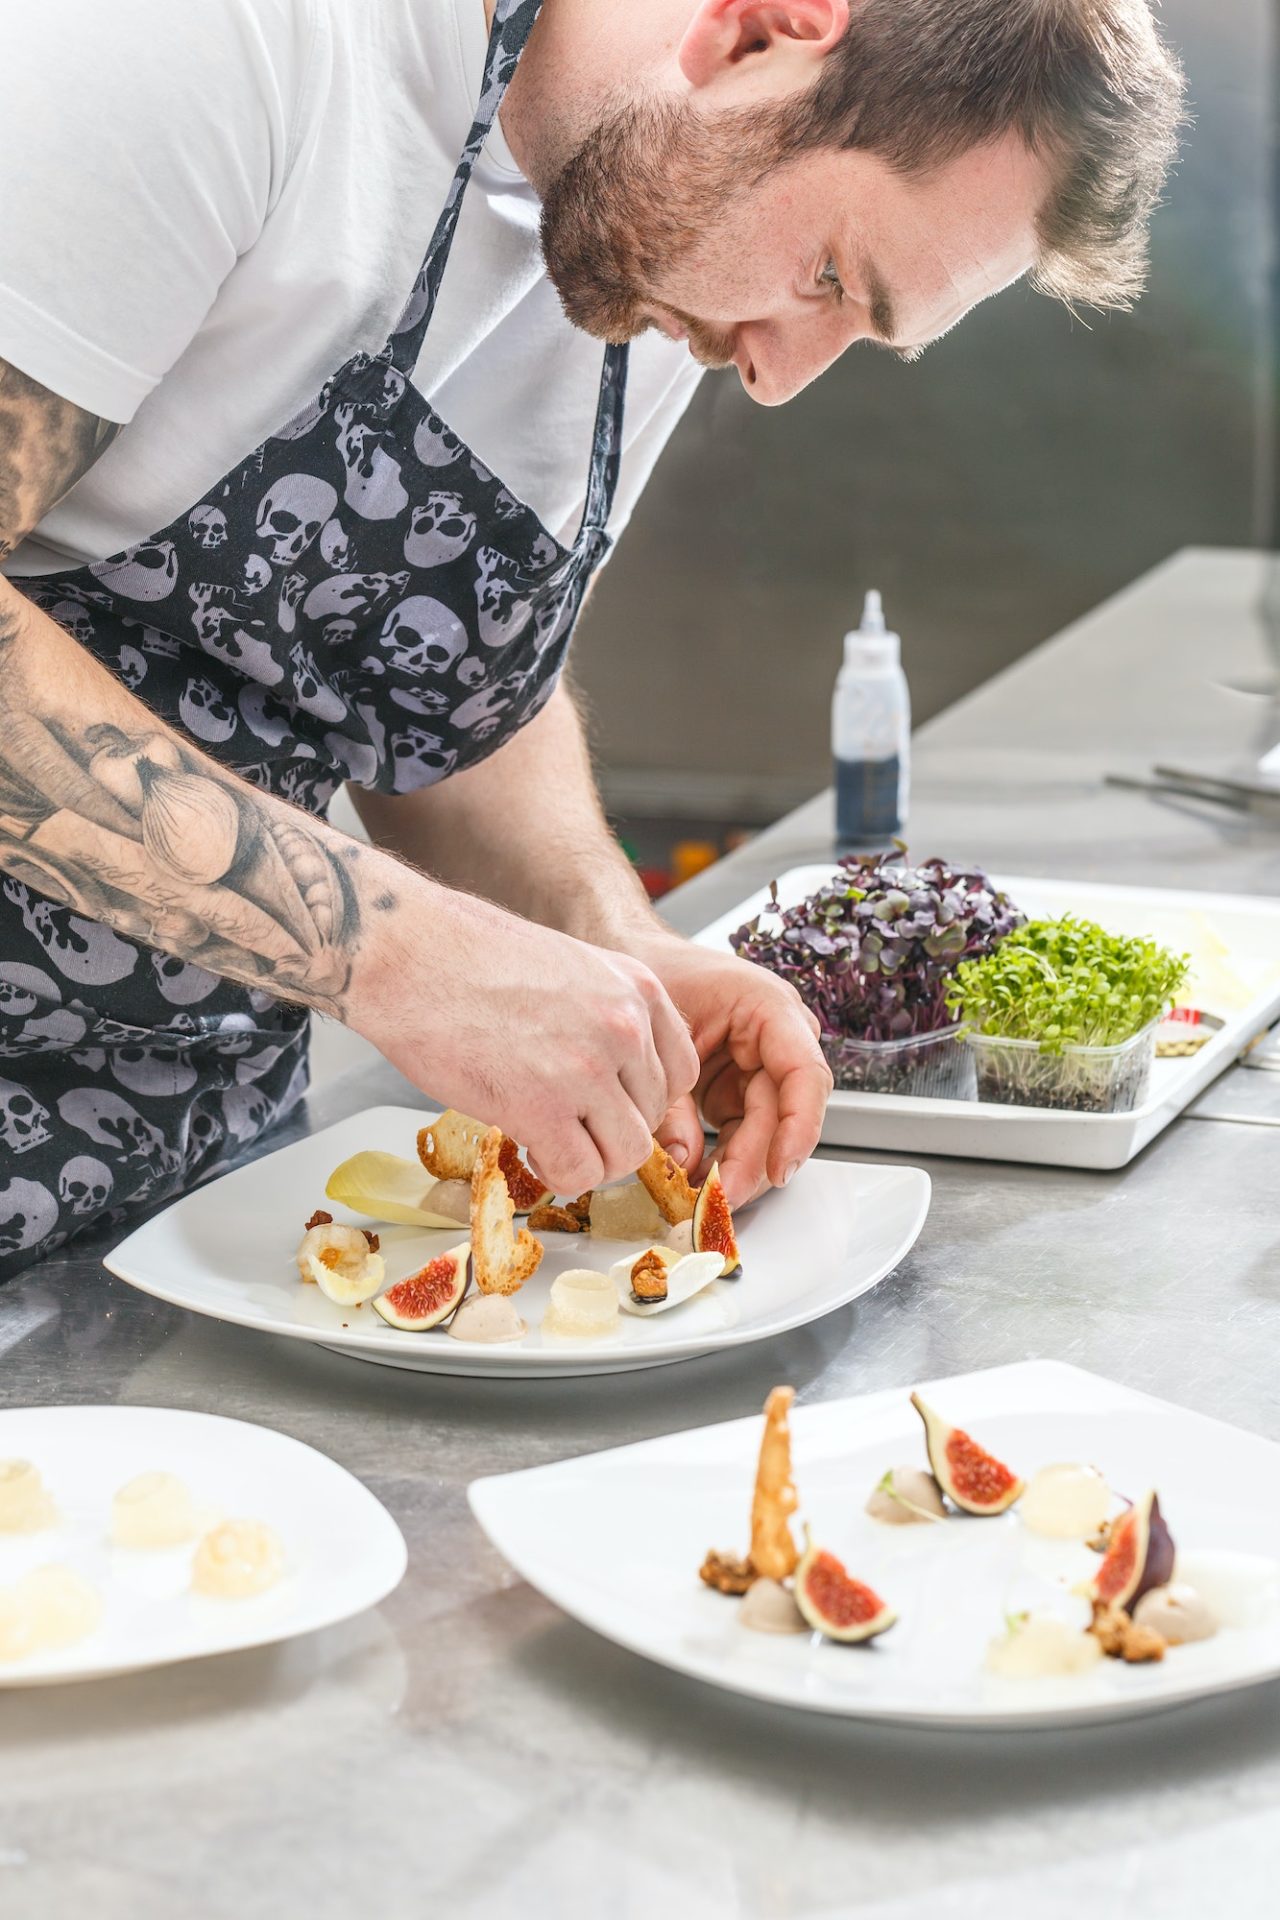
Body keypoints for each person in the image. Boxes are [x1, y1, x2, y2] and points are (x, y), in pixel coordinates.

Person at [0, 0, 1183, 1277]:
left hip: (183, 1200)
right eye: (834, 275)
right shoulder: (234, 40)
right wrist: (395, 951)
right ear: (757, 32)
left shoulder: (658, 240)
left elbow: (426, 693)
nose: (780, 373)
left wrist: (607, 942)